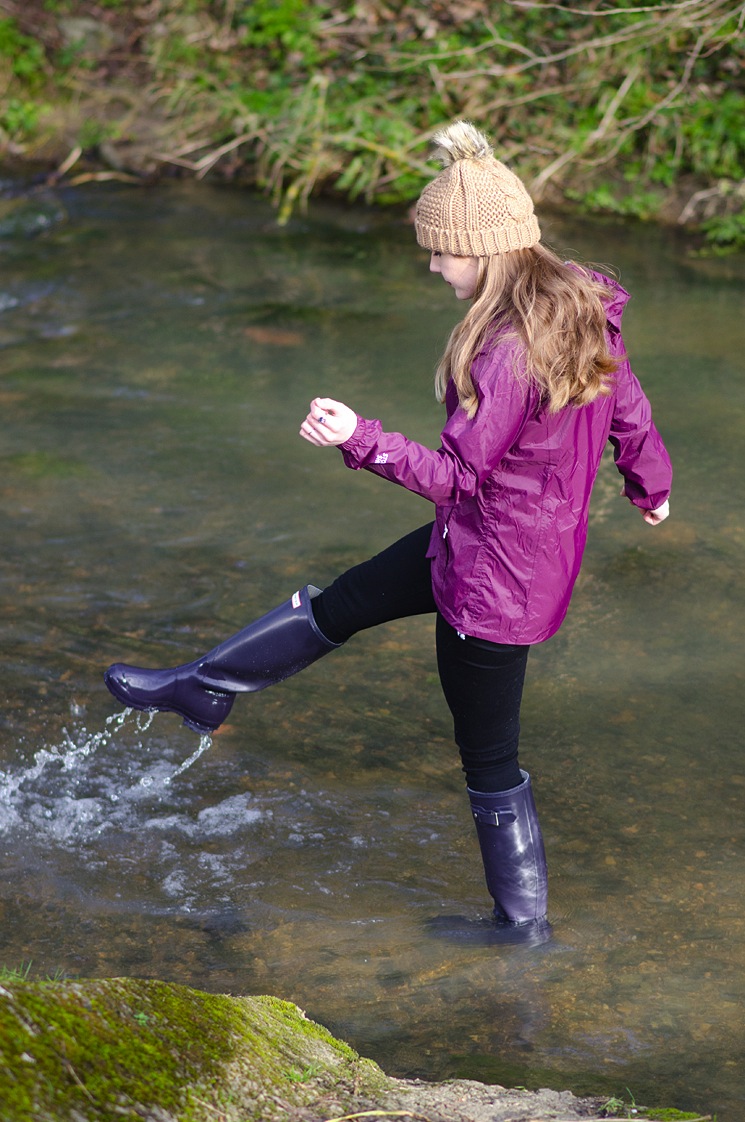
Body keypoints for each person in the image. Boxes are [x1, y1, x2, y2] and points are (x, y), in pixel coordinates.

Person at [104, 121, 671, 944]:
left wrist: (357, 437)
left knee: (488, 760)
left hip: (493, 582)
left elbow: (453, 476)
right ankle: (207, 687)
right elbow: (629, 405)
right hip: (485, 542)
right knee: (347, 599)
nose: (434, 266)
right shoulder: (577, 302)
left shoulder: (507, 352)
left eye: (441, 253)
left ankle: (522, 928)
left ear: (485, 251)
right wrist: (650, 485)